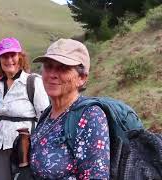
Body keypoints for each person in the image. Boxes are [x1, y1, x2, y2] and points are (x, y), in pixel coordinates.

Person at [30, 38, 110, 179]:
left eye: (63, 68)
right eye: (48, 66)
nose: (52, 74)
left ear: (82, 78)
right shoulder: (48, 114)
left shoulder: (90, 117)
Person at [0, 37, 50, 180]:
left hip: (25, 151)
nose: (9, 60)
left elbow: (46, 118)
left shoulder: (33, 82)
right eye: (4, 56)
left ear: (20, 57)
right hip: (1, 148)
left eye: (12, 55)